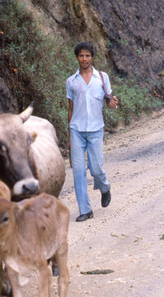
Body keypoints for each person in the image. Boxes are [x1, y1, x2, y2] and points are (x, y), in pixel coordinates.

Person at [66, 42, 119, 222]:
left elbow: (109, 100)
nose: (84, 59)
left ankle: (104, 188)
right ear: (77, 58)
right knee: (78, 170)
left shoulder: (102, 78)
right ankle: (85, 210)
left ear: (92, 57)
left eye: (88, 56)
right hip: (77, 131)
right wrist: (68, 136)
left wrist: (113, 103)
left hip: (96, 129)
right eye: (81, 56)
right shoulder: (71, 81)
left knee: (96, 169)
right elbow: (70, 108)